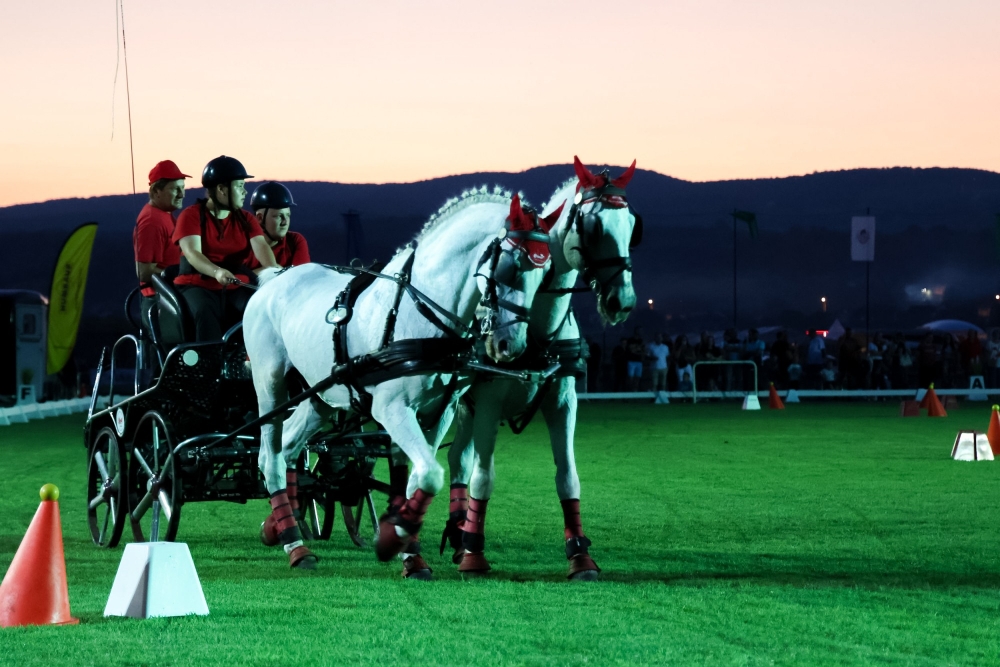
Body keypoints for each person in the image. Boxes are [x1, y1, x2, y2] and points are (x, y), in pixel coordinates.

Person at [172, 156, 278, 341]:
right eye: (239, 186)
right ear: (221, 189)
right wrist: (217, 272)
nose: (245, 192)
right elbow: (192, 253)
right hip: (196, 285)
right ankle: (209, 363)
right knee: (205, 311)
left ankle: (248, 360)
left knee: (257, 308)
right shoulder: (191, 215)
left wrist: (275, 271)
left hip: (234, 284)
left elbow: (261, 246)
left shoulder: (246, 219)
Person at [133, 160, 189, 337]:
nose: (182, 194)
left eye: (182, 187)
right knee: (169, 360)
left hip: (172, 300)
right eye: (175, 189)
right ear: (156, 191)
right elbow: (144, 272)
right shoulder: (152, 221)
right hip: (161, 304)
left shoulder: (165, 215)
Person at [247, 181, 310, 271]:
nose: (285, 222)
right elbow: (234, 279)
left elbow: (301, 277)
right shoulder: (243, 244)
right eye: (278, 216)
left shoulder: (294, 241)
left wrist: (255, 274)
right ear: (260, 218)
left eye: (288, 215)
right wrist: (276, 271)